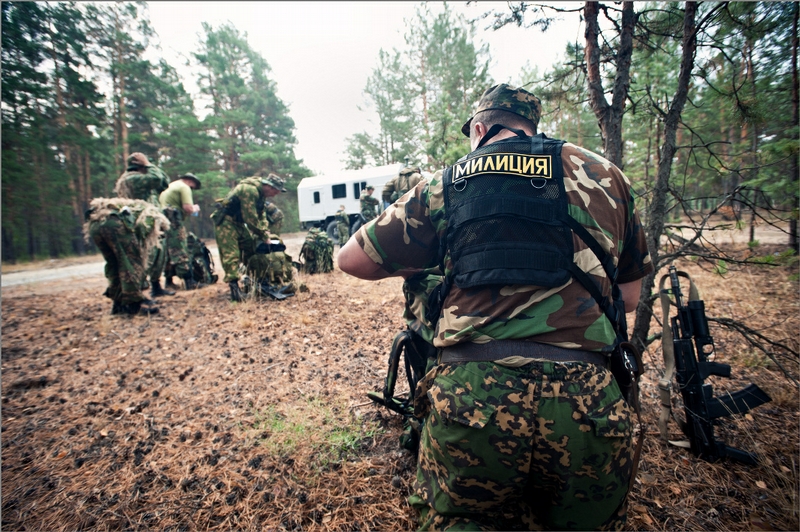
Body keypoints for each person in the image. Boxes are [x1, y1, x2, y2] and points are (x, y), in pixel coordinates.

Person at [338, 83, 654, 531]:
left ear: (482, 128)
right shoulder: (605, 174)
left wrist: (420, 267)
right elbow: (630, 297)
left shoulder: (447, 183)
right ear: (530, 125)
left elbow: (350, 259)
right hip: (587, 399)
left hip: (473, 398)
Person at [84, 197, 170, 316]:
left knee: (113, 264)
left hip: (94, 224)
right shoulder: (152, 215)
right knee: (130, 262)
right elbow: (141, 232)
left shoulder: (134, 207)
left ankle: (118, 304)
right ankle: (134, 304)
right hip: (115, 224)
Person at [211, 173, 287, 302]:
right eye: (275, 191)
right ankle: (235, 291)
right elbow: (250, 218)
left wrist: (265, 230)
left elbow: (261, 214)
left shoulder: (261, 194)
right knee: (231, 254)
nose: (276, 194)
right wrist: (263, 235)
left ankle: (258, 282)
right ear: (268, 186)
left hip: (239, 224)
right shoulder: (249, 190)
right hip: (226, 222)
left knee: (251, 248)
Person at [114, 152, 172, 298]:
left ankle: (156, 287)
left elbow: (164, 182)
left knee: (158, 255)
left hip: (152, 223)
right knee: (145, 257)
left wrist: (149, 165)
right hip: (141, 225)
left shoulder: (145, 179)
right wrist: (148, 164)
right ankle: (137, 293)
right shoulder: (131, 179)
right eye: (145, 165)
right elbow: (156, 178)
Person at [159, 173, 202, 292]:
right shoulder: (184, 187)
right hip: (174, 221)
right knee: (180, 249)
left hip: (163, 221)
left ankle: (168, 281)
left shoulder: (169, 186)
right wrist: (195, 209)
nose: (192, 190)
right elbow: (188, 208)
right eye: (193, 187)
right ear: (190, 181)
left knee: (168, 251)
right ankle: (189, 281)